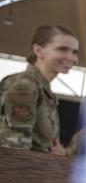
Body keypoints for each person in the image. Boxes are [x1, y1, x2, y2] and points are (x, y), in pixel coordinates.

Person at [0, 25, 79, 154]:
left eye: (75, 52)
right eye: (62, 49)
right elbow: (14, 150)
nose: (72, 58)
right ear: (38, 50)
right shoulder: (25, 86)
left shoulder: (43, 90)